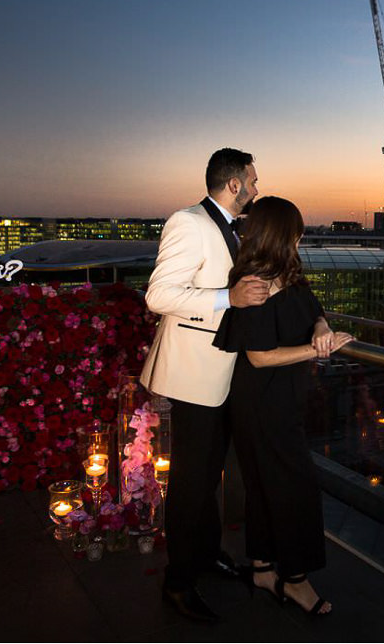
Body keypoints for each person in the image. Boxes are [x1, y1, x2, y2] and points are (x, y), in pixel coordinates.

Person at [140, 148, 269, 623]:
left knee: (209, 473)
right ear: (233, 184)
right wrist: (226, 297)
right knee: (191, 485)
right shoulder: (189, 222)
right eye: (252, 181)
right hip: (193, 376)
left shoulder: (235, 229)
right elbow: (159, 296)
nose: (256, 188)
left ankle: (207, 554)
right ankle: (177, 583)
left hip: (220, 375)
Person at [213, 196, 353, 618]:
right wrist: (314, 351)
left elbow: (314, 313)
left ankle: (261, 569)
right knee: (296, 490)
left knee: (265, 486)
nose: (302, 234)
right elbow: (259, 356)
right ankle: (295, 581)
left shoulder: (289, 273)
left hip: (280, 399)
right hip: (261, 402)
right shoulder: (256, 282)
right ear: (281, 233)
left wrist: (323, 328)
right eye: (296, 228)